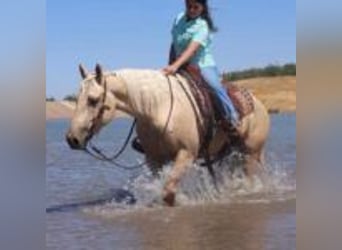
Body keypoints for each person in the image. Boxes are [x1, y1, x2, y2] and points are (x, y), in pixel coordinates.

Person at [162, 0, 241, 131]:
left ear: (202, 8)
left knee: (214, 86)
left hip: (201, 64)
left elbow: (191, 50)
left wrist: (175, 66)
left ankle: (232, 119)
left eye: (196, 7)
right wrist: (170, 64)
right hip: (179, 63)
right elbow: (174, 43)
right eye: (189, 6)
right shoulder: (178, 18)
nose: (192, 10)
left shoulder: (202, 26)